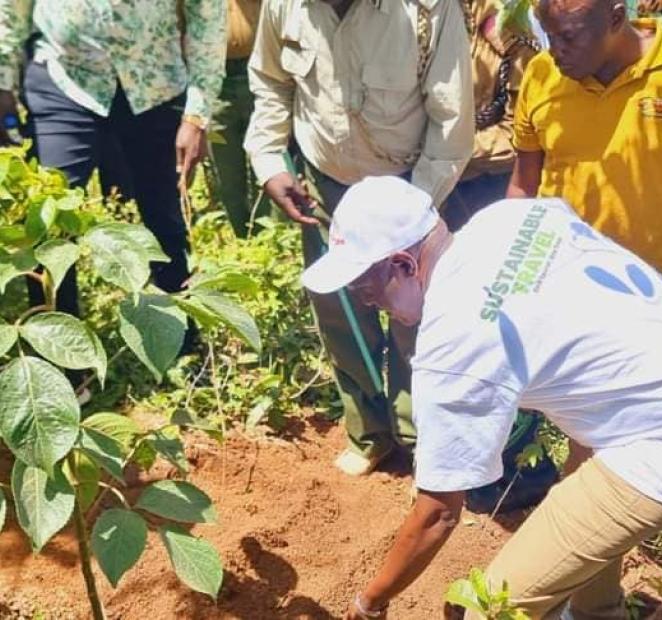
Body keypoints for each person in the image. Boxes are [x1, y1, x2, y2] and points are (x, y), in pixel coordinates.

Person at [299, 175, 662, 619]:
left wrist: (370, 602)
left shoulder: (452, 343)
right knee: (578, 489)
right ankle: (598, 612)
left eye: (364, 284)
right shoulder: (510, 218)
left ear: (403, 265)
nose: (363, 299)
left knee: (487, 610)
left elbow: (438, 514)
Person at [508, 0, 662, 472]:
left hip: (642, 296)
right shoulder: (540, 75)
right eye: (549, 34)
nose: (555, 50)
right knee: (560, 410)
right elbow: (524, 182)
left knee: (608, 429)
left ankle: (581, 518)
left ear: (616, 18)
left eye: (570, 37)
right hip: (555, 283)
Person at [244, 0, 474, 475]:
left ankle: (423, 442)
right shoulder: (286, 6)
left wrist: (410, 217)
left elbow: (451, 119)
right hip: (327, 185)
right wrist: (268, 160)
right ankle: (371, 433)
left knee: (418, 319)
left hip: (412, 184)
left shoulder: (426, 10)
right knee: (344, 312)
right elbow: (270, 80)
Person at [0, 0, 226, 320]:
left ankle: (180, 339)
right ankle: (61, 356)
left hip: (154, 85)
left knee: (164, 217)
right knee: (47, 220)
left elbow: (208, 15)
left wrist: (197, 114)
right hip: (64, 80)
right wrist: (2, 81)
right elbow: (11, 8)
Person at [441, 0, 557, 513]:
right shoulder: (438, 14)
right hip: (446, 180)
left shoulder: (510, 22)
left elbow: (525, 125)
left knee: (503, 329)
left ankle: (519, 467)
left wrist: (452, 154)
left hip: (492, 183)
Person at [208, 0, 274, 238]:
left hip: (257, 72)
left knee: (265, 157)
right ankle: (242, 234)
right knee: (225, 167)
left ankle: (267, 231)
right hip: (214, 79)